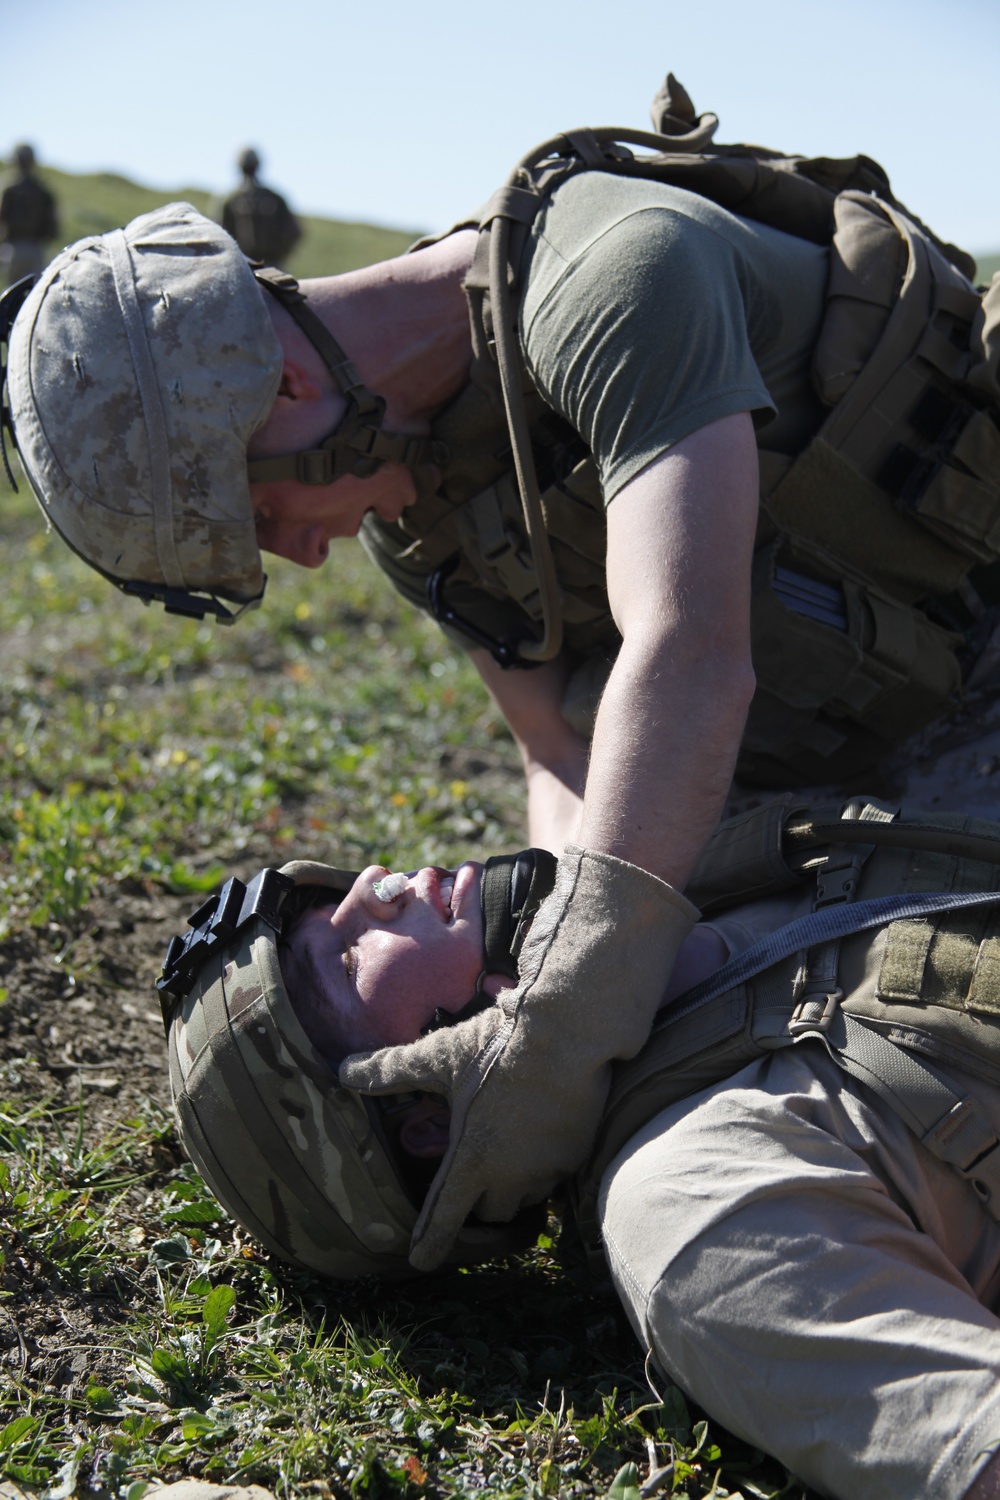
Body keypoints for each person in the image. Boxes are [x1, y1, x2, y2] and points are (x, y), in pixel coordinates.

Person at [4, 75, 1000, 1250]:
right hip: (878, 719)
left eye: (265, 515)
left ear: (285, 384)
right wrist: (520, 974)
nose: (302, 554)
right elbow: (557, 748)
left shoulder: (617, 273)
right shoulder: (416, 507)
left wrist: (577, 1008)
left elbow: (688, 654)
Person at [161, 801, 1000, 1500]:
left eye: (332, 906)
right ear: (425, 1119)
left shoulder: (686, 864)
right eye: (345, 957)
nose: (372, 889)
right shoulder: (691, 1202)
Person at [219, 147, 301, 267]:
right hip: (262, 264)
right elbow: (294, 232)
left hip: (247, 266)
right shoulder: (274, 198)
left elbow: (218, 235)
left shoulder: (230, 200)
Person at [0, 143, 58, 288]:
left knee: (11, 296)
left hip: (12, 248)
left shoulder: (9, 188)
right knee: (32, 294)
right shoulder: (42, 190)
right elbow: (53, 224)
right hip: (35, 248)